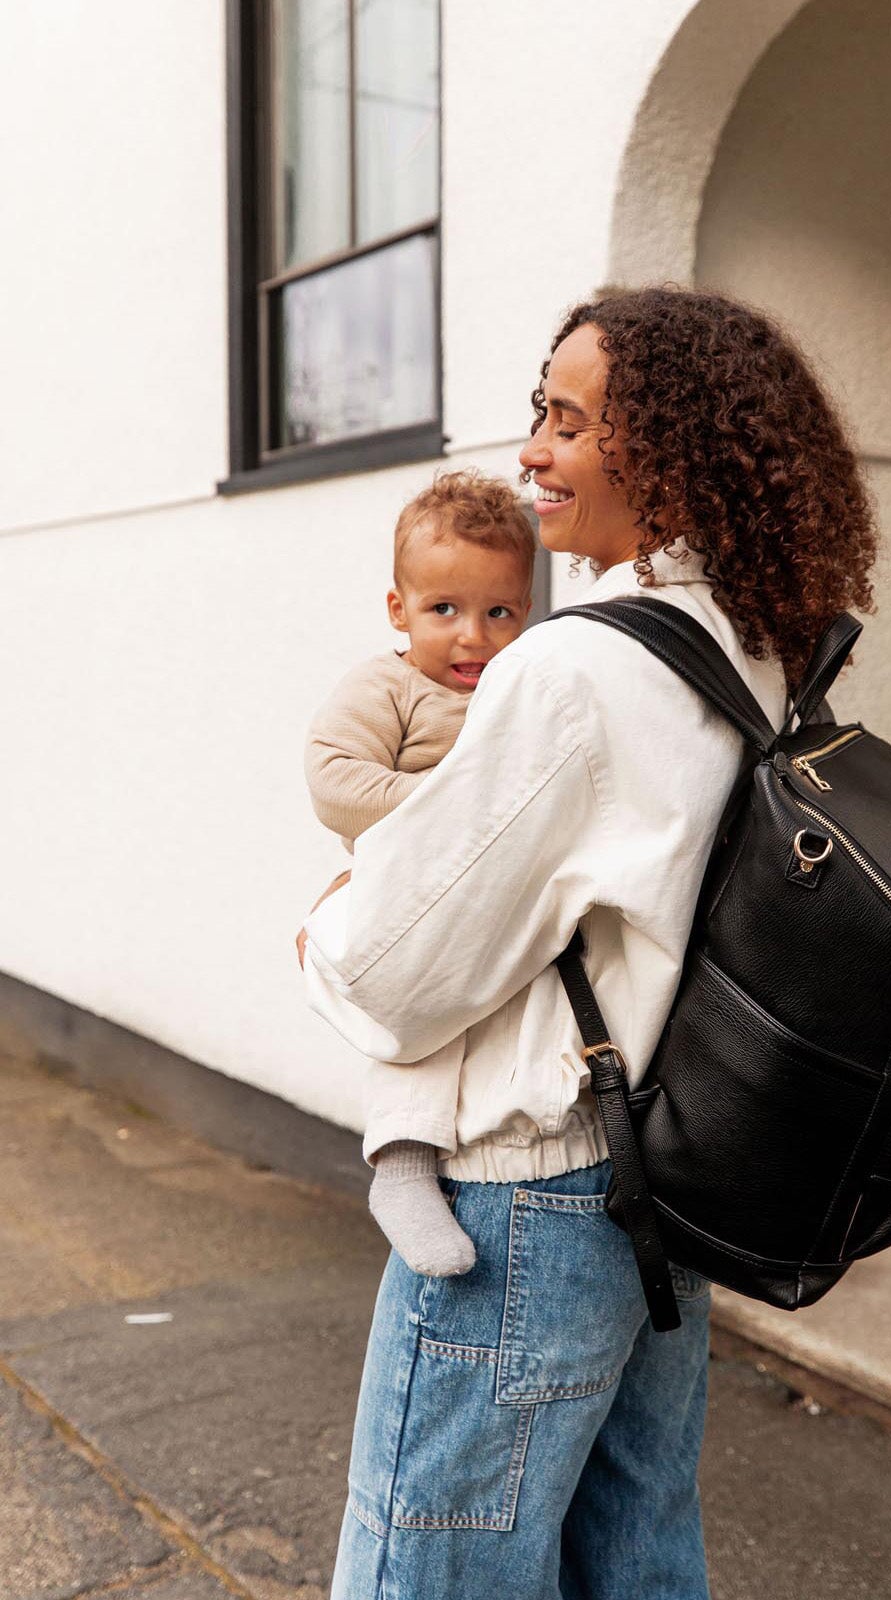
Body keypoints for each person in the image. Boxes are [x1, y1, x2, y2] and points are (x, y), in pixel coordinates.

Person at [301, 286, 877, 1600]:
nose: (532, 452)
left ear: (662, 455)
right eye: (538, 412)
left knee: (431, 1574)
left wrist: (324, 925)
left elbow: (398, 969)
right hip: (659, 1204)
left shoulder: (576, 673)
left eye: (569, 421)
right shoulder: (756, 647)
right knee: (636, 1564)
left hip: (525, 1208)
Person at [304, 470, 535, 1277]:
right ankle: (401, 1166)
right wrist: (447, 808)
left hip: (498, 888)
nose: (473, 635)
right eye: (446, 610)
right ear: (400, 610)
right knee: (423, 1015)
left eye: (499, 611)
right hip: (409, 889)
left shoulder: (521, 688)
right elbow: (336, 779)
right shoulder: (390, 685)